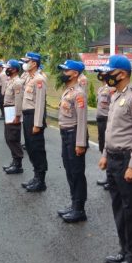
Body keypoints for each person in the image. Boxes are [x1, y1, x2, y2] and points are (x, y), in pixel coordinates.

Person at [98, 55, 132, 263]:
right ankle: (125, 249)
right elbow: (111, 130)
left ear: (123, 74)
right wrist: (104, 154)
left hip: (128, 159)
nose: (106, 76)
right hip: (114, 158)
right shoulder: (115, 95)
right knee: (118, 206)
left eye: (110, 72)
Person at [56, 60, 88, 223]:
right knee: (69, 170)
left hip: (74, 134)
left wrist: (80, 143)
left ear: (75, 73)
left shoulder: (79, 93)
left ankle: (79, 209)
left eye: (66, 70)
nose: (63, 73)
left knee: (76, 172)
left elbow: (82, 120)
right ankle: (74, 203)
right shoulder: (68, 90)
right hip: (65, 133)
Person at [20, 52, 48, 193]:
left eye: (27, 61)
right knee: (30, 147)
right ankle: (36, 176)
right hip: (27, 116)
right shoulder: (29, 78)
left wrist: (37, 124)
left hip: (34, 117)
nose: (25, 63)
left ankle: (41, 181)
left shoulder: (39, 80)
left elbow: (40, 104)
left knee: (37, 148)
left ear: (34, 63)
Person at [2, 59, 25, 174]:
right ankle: (14, 160)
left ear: (15, 69)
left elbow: (18, 100)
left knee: (13, 137)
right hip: (8, 110)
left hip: (13, 111)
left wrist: (17, 115)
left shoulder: (17, 82)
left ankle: (18, 164)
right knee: (8, 137)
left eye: (8, 68)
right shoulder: (11, 81)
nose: (6, 70)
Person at [94, 66, 113, 189]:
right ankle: (108, 175)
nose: (100, 74)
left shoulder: (112, 89)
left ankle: (111, 179)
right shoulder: (101, 89)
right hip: (100, 121)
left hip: (108, 121)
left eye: (102, 72)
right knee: (103, 148)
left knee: (109, 149)